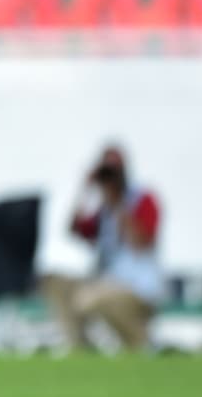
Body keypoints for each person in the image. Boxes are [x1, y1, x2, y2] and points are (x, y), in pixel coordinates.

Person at [40, 145, 165, 351]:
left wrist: (119, 205)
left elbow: (140, 243)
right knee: (55, 283)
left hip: (139, 289)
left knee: (89, 298)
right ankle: (79, 348)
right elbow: (73, 229)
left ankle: (142, 343)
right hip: (106, 283)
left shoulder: (144, 199)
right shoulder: (103, 209)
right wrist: (85, 189)